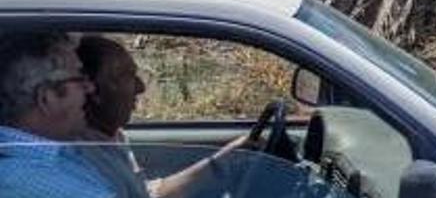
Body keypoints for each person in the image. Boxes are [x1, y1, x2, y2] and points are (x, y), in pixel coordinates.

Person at [77, 35, 253, 198]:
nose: (141, 87)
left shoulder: (112, 137)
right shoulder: (78, 158)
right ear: (93, 89)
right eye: (127, 76)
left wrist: (220, 161)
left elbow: (149, 194)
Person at [0, 31, 146, 198]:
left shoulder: (54, 155)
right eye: (79, 79)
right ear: (48, 98)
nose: (90, 88)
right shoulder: (33, 179)